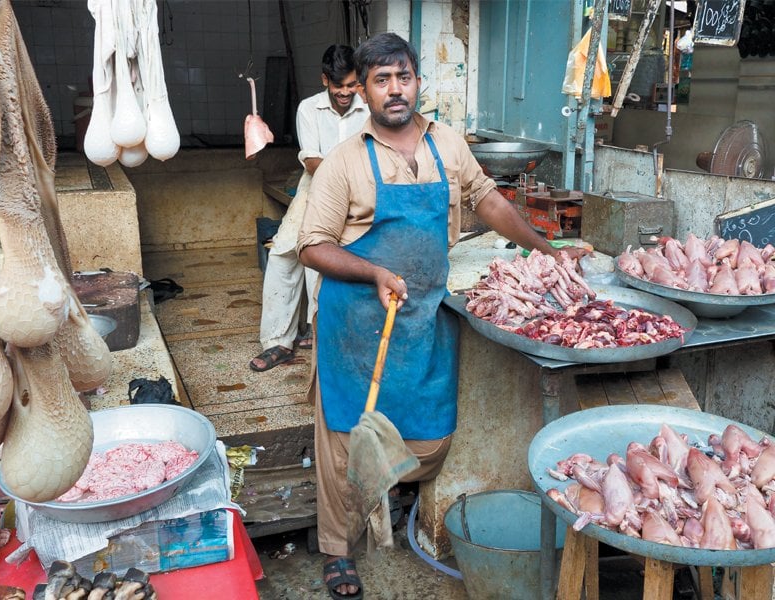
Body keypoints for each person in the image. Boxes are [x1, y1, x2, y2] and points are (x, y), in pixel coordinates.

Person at [297, 33, 588, 599]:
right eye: (381, 80)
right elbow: (312, 245)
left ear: (417, 82)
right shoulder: (346, 161)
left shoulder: (446, 144)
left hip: (422, 317)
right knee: (342, 443)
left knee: (430, 439)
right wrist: (375, 273)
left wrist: (546, 251)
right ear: (365, 92)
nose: (395, 89)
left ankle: (385, 491)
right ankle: (337, 548)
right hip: (357, 326)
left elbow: (490, 201)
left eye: (402, 76)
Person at [249, 45, 369, 371]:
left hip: (361, 194)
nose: (345, 93)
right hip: (314, 187)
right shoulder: (308, 108)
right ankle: (278, 342)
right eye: (338, 86)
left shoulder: (369, 108)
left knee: (326, 261)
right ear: (324, 79)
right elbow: (313, 159)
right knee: (283, 253)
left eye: (351, 85)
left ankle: (323, 336)